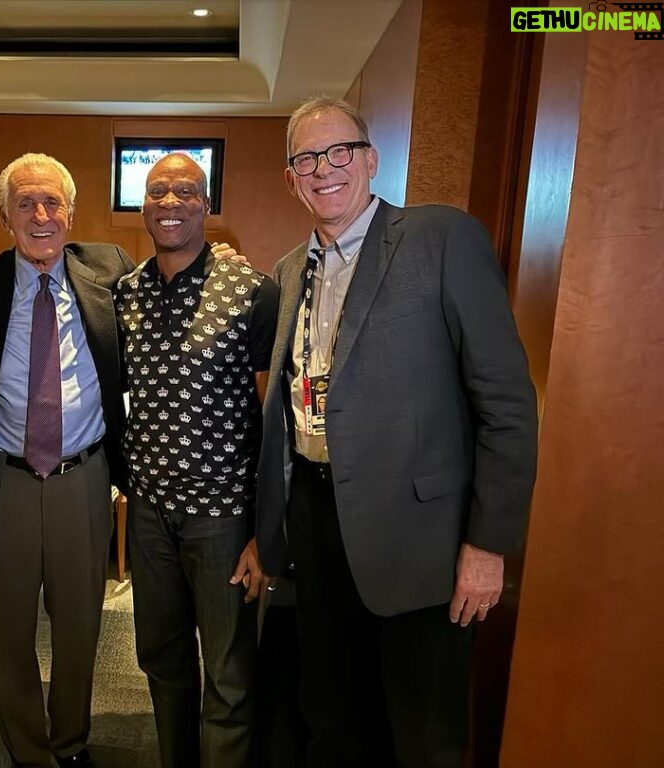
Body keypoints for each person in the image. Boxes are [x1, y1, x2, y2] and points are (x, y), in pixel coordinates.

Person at [255, 95, 539, 767]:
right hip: (317, 527)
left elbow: (506, 402)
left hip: (423, 545)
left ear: (371, 160)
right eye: (306, 158)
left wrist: (489, 545)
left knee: (423, 734)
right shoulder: (293, 268)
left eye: (339, 151)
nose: (324, 169)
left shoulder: (440, 239)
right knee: (332, 715)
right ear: (291, 177)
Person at [0, 153, 132, 768]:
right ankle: (28, 751)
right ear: (5, 215)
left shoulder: (106, 271)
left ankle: (70, 743)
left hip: (85, 477)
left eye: (53, 202)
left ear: (71, 213)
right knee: (6, 630)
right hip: (5, 483)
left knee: (80, 625)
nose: (41, 215)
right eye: (25, 203)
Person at [116, 153, 279, 768]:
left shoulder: (252, 291)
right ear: (143, 207)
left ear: (205, 205)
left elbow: (273, 421)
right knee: (162, 660)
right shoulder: (126, 294)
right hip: (151, 513)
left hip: (224, 518)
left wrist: (265, 531)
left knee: (229, 674)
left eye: (186, 190)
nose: (171, 202)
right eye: (158, 191)